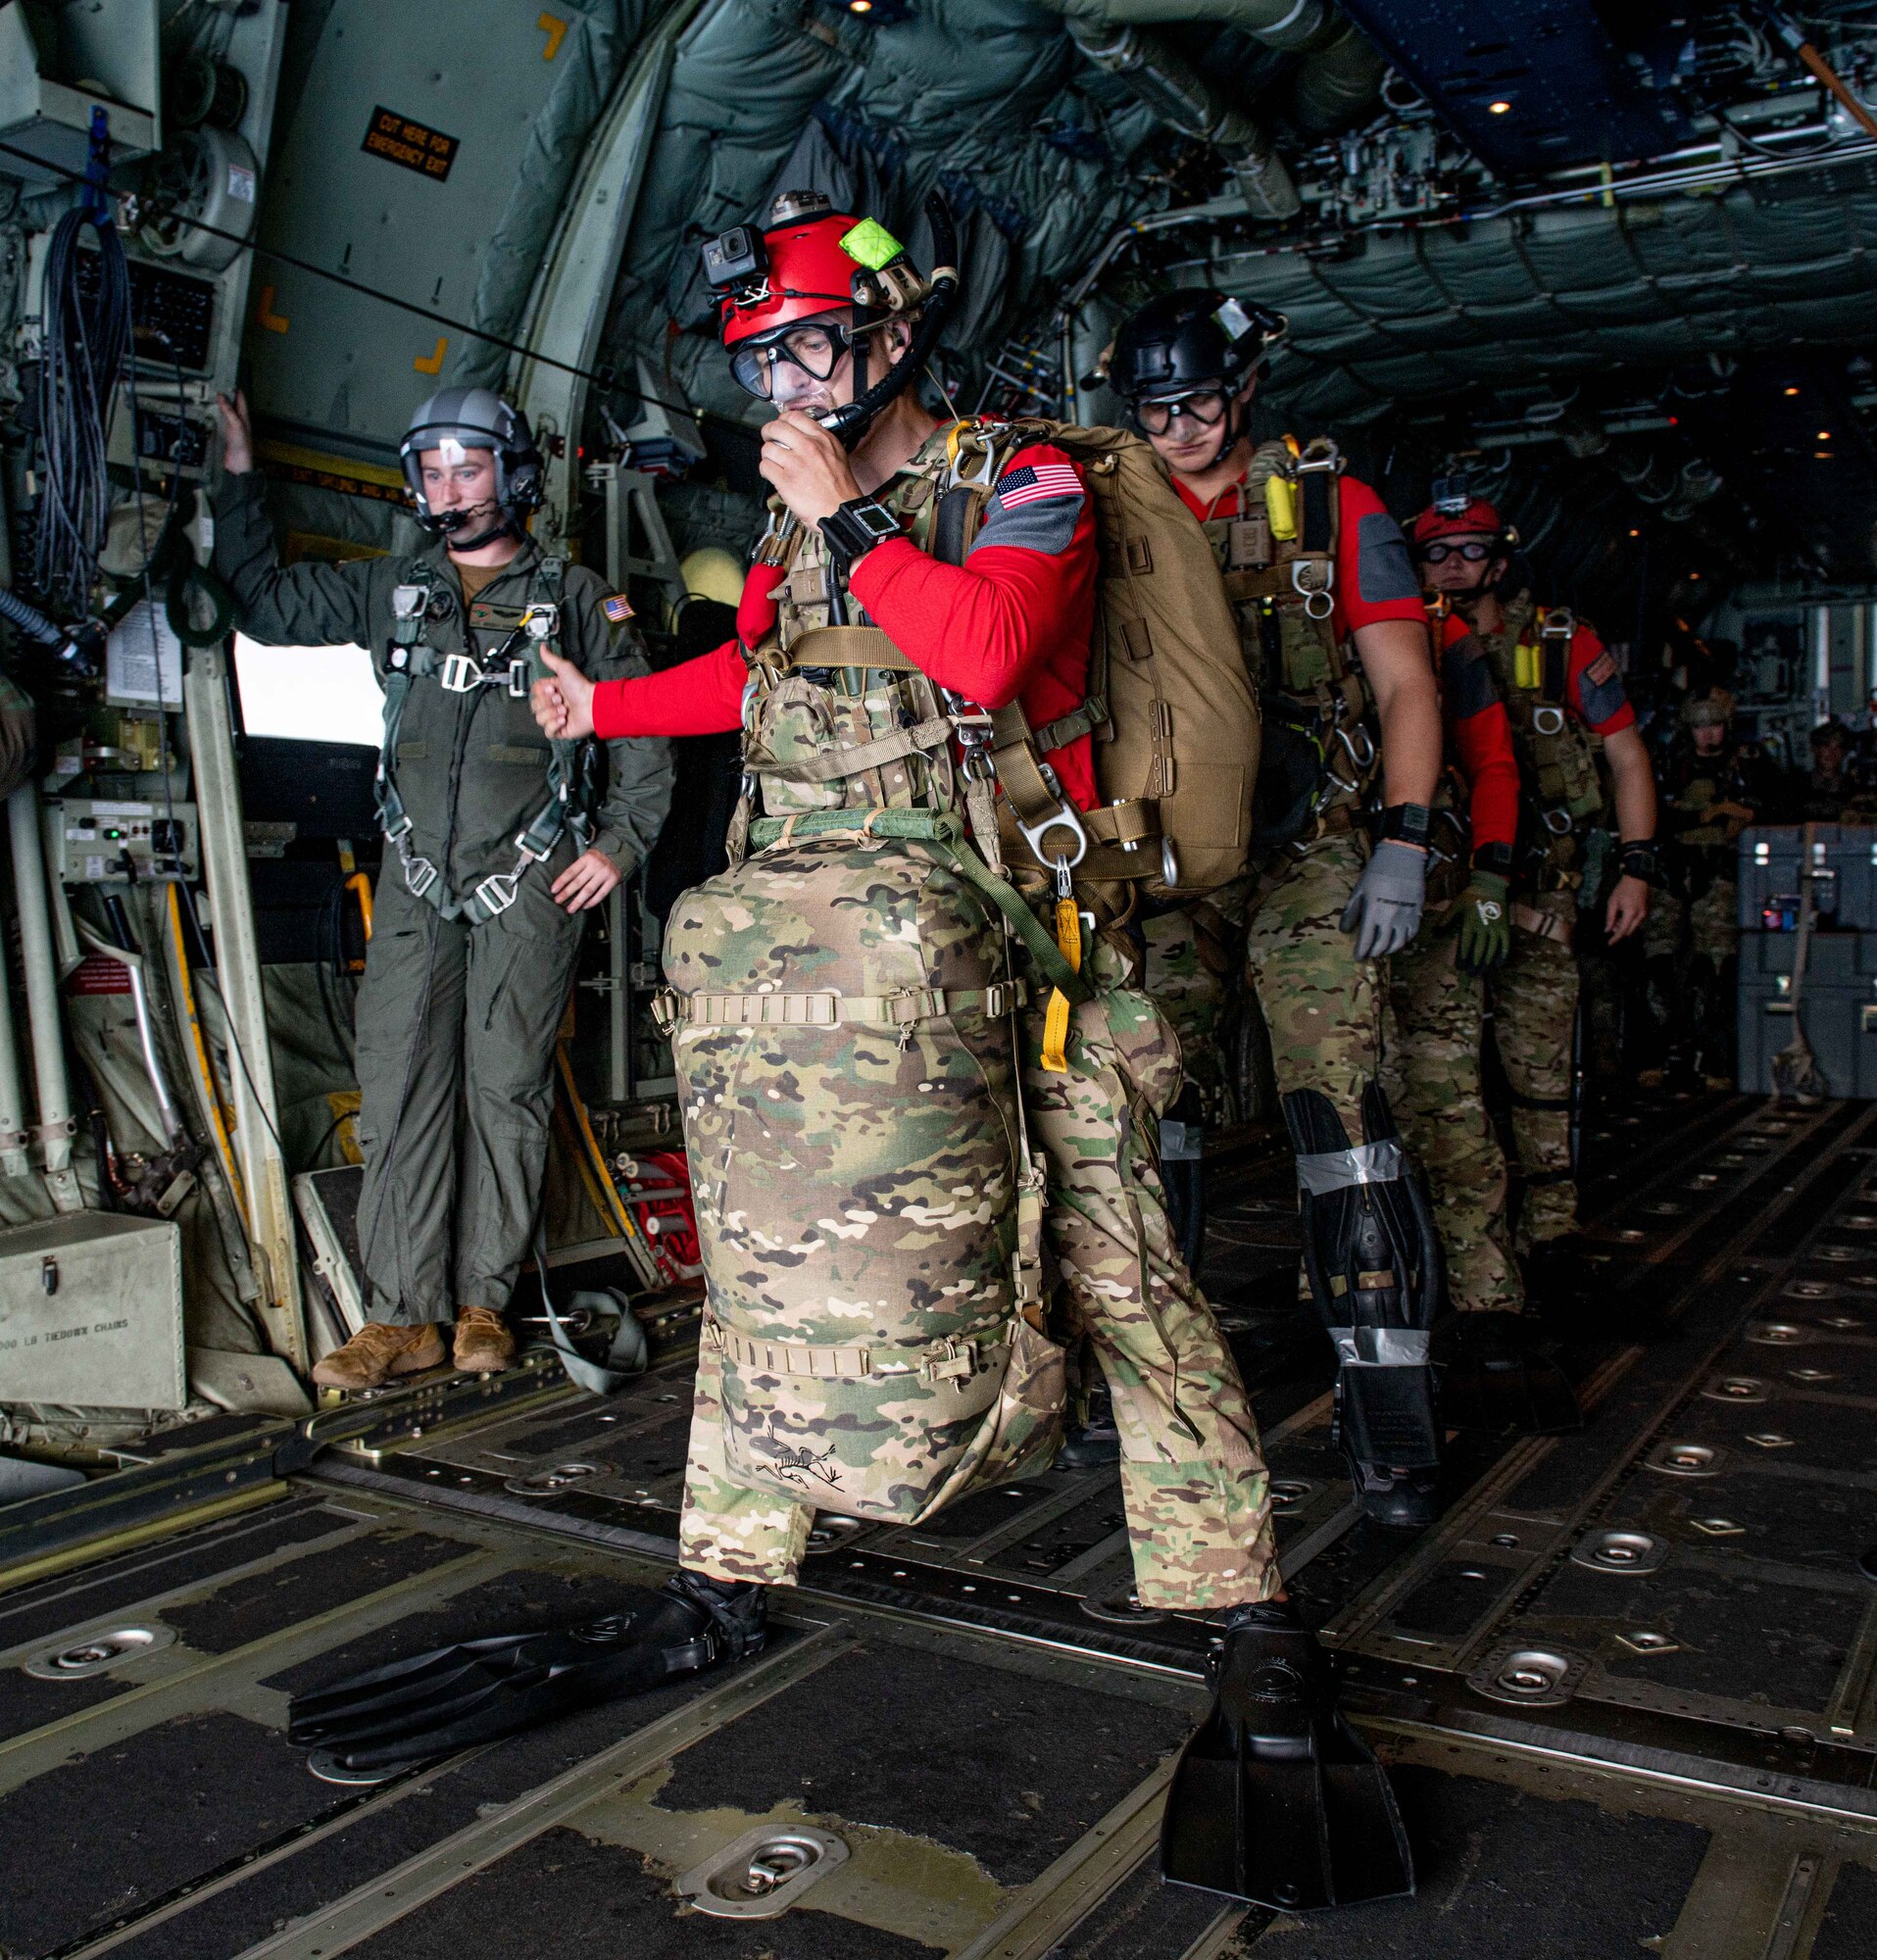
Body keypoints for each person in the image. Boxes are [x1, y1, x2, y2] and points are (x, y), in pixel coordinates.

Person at [517, 202, 1413, 1908]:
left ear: (891, 342)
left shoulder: (1031, 480)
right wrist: (603, 711)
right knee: (774, 1245)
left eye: (804, 348)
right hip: (848, 967)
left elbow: (984, 646)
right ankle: (725, 1568)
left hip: (1042, 958)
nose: (779, 383)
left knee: (1122, 1267)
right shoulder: (806, 530)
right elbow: (765, 679)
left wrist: (844, 520)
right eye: (760, 359)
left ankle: (1247, 1612)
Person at [213, 386, 672, 1388]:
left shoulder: (580, 598)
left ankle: (480, 1306)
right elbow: (263, 605)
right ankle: (402, 1317)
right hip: (420, 877)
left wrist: (619, 845)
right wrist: (238, 475)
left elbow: (639, 724)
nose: (448, 488)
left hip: (535, 875)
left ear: (508, 474)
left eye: (468, 468)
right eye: (432, 470)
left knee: (504, 1088)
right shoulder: (395, 588)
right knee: (399, 1084)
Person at [1106, 291, 1447, 1528]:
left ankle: (1390, 1412)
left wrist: (1400, 842)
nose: (1178, 429)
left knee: (1339, 1108)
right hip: (1170, 853)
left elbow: (1405, 681)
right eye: (1152, 409)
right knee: (1149, 1105)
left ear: (1244, 390)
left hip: (1308, 847)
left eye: (1197, 402)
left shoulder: (1325, 507)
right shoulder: (1114, 509)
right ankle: (1152, 1388)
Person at [1408, 496, 1657, 1310]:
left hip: (1537, 893)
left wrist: (1634, 867)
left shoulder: (1554, 646)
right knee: (1442, 1081)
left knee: (1539, 1075)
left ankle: (1548, 1234)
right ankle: (1456, 1247)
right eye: (1436, 554)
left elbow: (1624, 755)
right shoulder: (1404, 644)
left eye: (1468, 552)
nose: (1452, 568)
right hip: (1442, 898)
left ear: (1499, 561)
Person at [1643, 688, 1770, 1086]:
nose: (1708, 735)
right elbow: (1656, 817)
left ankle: (1715, 1060)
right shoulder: (1669, 762)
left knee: (1716, 969)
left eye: (1714, 725)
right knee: (1658, 964)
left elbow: (1772, 808)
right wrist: (1711, 813)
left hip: (1719, 873)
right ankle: (1655, 1054)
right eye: (1699, 727)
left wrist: (1737, 814)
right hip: (1673, 870)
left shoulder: (1746, 762)